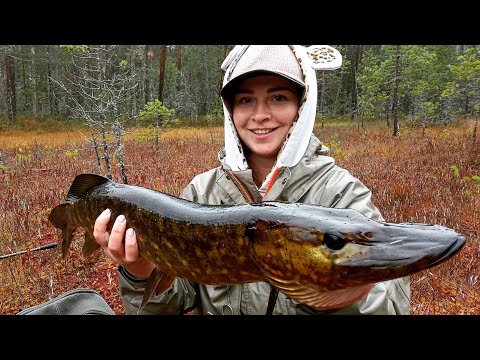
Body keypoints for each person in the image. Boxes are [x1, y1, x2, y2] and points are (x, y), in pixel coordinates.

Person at [93, 45, 411, 315]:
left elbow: (389, 302)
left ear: (302, 106)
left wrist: (337, 296)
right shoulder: (202, 193)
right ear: (230, 109)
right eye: (246, 100)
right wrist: (140, 272)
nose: (260, 114)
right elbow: (171, 304)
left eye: (278, 98)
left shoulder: (342, 196)